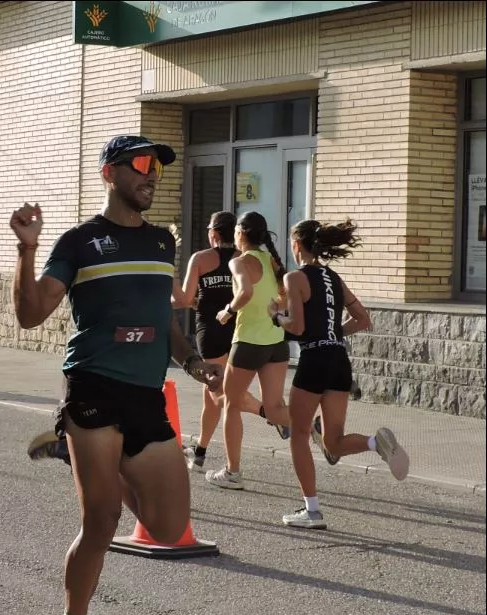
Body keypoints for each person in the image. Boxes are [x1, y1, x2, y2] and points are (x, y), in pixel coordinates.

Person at [15, 135, 223, 615]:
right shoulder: (80, 242)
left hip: (145, 395)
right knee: (102, 521)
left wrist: (195, 362)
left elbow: (166, 323)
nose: (151, 173)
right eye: (139, 164)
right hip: (94, 385)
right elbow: (32, 314)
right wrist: (27, 250)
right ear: (109, 174)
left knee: (168, 522)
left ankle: (72, 452)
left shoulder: (162, 243)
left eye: (156, 166)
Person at [272, 219, 409, 528]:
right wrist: (335, 331)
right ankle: (376, 443)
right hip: (338, 359)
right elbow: (363, 318)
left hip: (315, 359)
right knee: (332, 443)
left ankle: (312, 511)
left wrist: (276, 315)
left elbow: (297, 327)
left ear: (297, 245)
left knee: (299, 434)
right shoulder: (334, 278)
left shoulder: (295, 278)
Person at [205, 211, 292, 490]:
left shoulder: (239, 262)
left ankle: (232, 472)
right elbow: (284, 295)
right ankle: (319, 430)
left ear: (241, 233)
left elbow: (244, 293)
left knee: (230, 404)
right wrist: (276, 310)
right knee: (276, 407)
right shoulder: (271, 260)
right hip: (276, 343)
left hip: (248, 342)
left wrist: (227, 311)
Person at [172, 211, 264, 471]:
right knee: (212, 395)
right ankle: (200, 451)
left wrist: (170, 283)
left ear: (213, 234)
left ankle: (270, 413)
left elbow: (182, 299)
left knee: (218, 395)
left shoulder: (201, 258)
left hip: (210, 332)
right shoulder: (244, 259)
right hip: (238, 330)